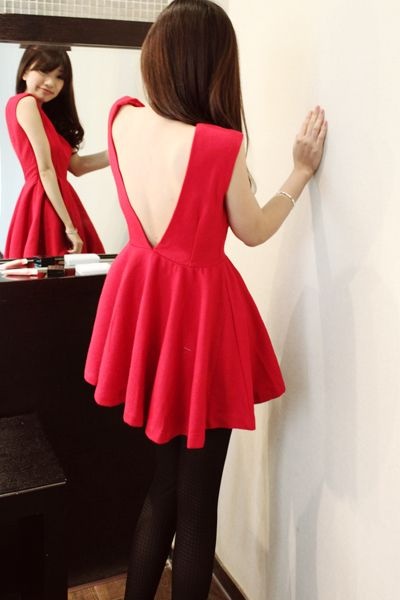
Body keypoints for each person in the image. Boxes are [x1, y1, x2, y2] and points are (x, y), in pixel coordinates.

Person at [84, 1, 327, 598]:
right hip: (199, 322)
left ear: (159, 59)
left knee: (164, 487)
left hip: (147, 308)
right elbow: (253, 230)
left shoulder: (121, 119)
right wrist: (299, 173)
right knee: (197, 504)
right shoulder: (218, 147)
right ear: (215, 64)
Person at [3, 45, 109, 258]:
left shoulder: (48, 119)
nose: (51, 82)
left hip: (59, 199)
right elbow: (44, 170)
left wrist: (120, 149)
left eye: (60, 77)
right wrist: (70, 227)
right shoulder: (25, 103)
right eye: (43, 71)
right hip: (44, 199)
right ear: (24, 72)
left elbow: (78, 166)